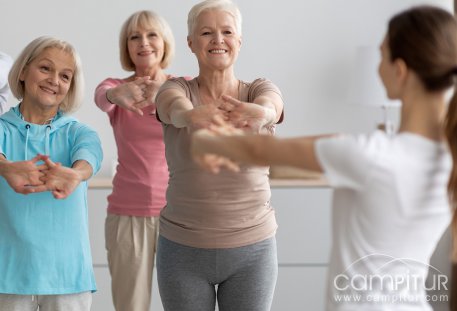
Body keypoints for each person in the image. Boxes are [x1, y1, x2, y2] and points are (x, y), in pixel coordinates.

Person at [192, 5, 455, 310]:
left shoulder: (368, 157)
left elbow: (258, 149)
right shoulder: (446, 157)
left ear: (400, 71)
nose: (377, 68)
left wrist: (206, 141)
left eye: (381, 56)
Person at [154, 0, 284, 310]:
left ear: (239, 40)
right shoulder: (176, 90)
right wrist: (191, 117)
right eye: (206, 32)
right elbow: (173, 108)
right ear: (190, 42)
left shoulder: (257, 90)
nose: (218, 40)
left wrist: (262, 113)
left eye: (227, 31)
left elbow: (272, 104)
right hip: (182, 250)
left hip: (252, 249)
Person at [0, 36, 102, 310]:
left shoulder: (78, 132)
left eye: (65, 76)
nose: (54, 80)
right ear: (23, 72)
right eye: (45, 68)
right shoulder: (2, 128)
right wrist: (5, 166)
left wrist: (76, 175)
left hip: (67, 281)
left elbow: (90, 155)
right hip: (7, 280)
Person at [94, 10, 175, 311]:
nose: (144, 42)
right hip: (128, 214)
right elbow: (101, 96)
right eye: (134, 37)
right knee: (131, 306)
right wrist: (118, 94)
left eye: (152, 34)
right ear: (126, 47)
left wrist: (164, 93)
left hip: (180, 213)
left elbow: (201, 107)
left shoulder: (185, 86)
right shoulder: (116, 86)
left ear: (165, 41)